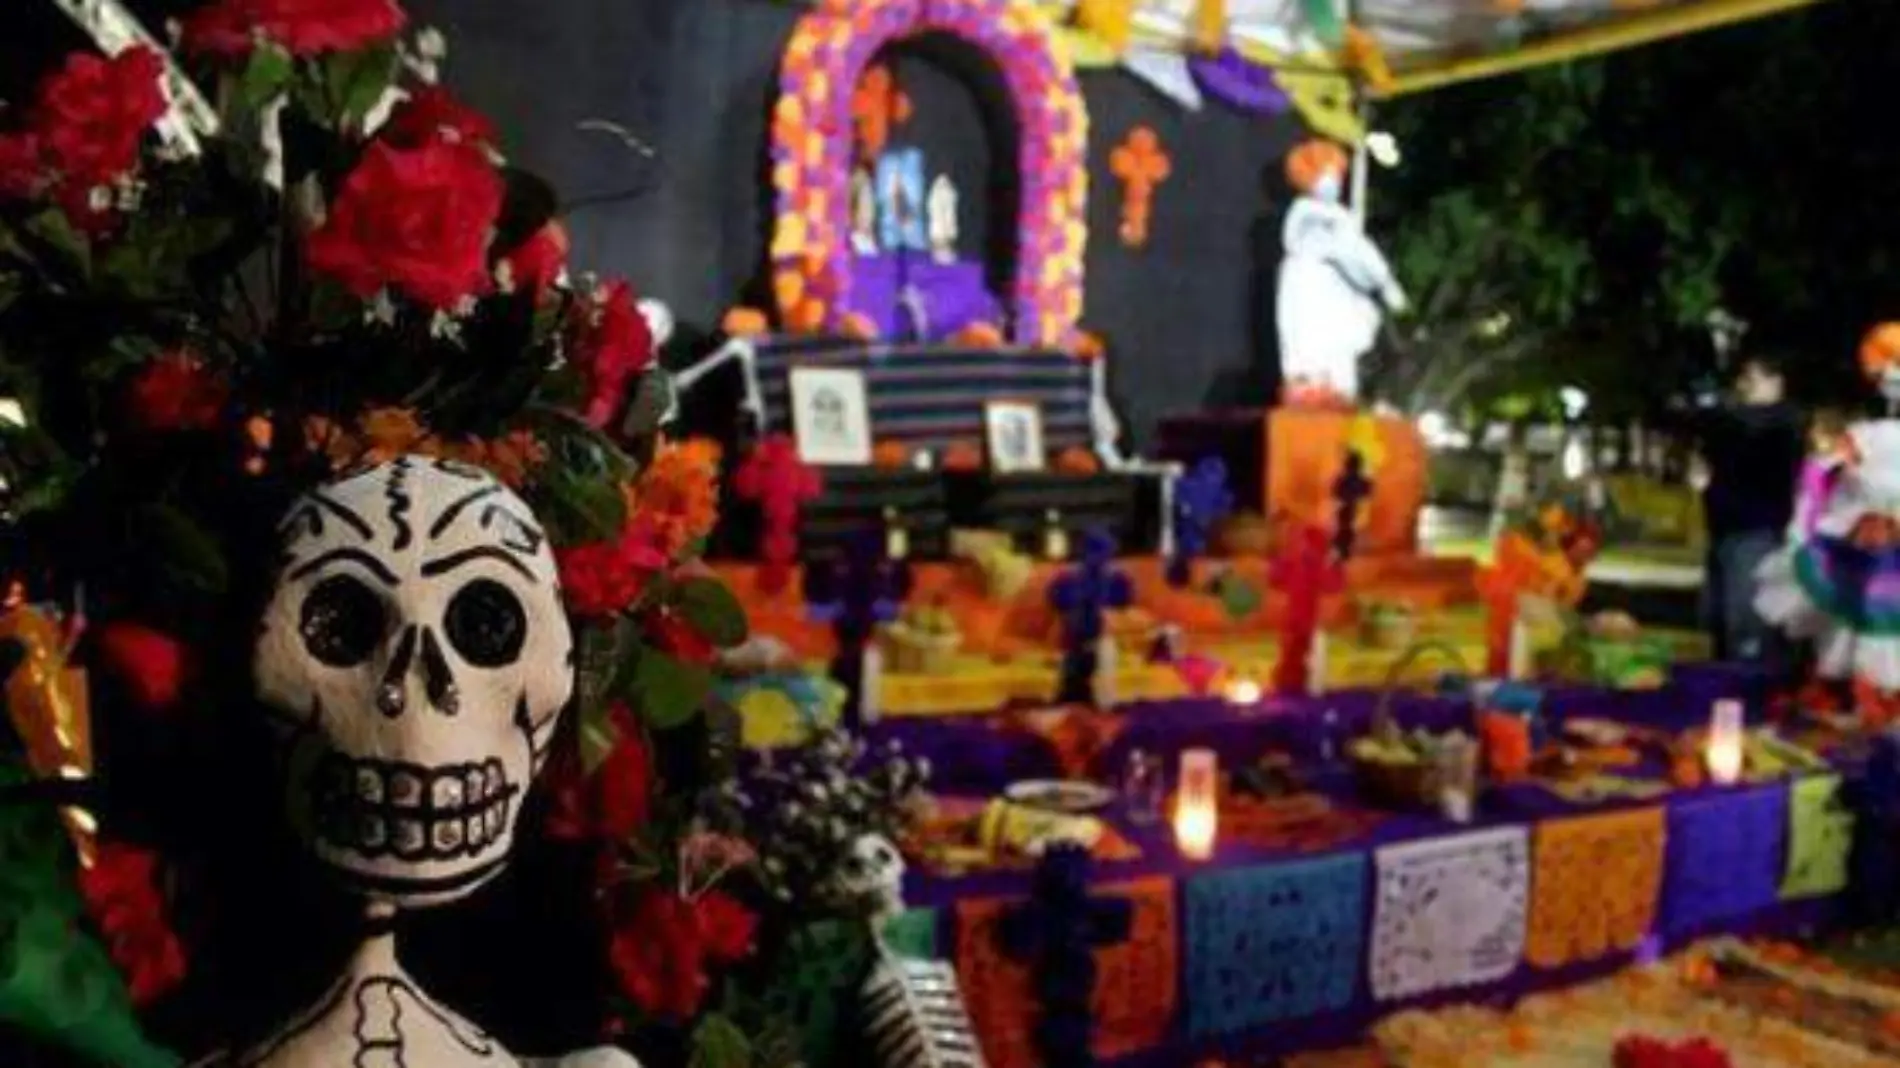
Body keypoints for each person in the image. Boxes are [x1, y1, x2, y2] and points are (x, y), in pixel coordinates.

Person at [1685, 354, 1805, 662]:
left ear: (1776, 382)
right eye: (1743, 380)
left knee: (1746, 621)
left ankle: (1749, 686)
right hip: (1726, 528)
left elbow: (1726, 427)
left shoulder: (1782, 421)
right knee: (1719, 617)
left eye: (1752, 380)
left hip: (1757, 530)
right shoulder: (1733, 422)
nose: (1744, 388)